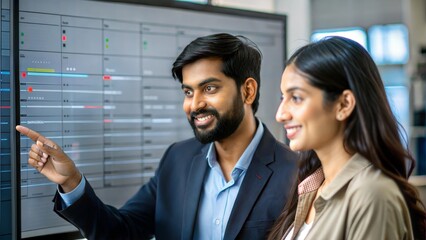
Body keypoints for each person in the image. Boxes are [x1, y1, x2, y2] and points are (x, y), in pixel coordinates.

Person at [16, 33, 298, 240]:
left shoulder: (296, 174)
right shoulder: (178, 158)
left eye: (209, 89)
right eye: (188, 92)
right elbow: (120, 232)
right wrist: (71, 181)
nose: (195, 104)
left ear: (247, 91)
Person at [267, 36, 426, 240]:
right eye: (283, 98)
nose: (281, 114)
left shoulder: (371, 194)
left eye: (296, 98)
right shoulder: (312, 186)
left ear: (343, 104)